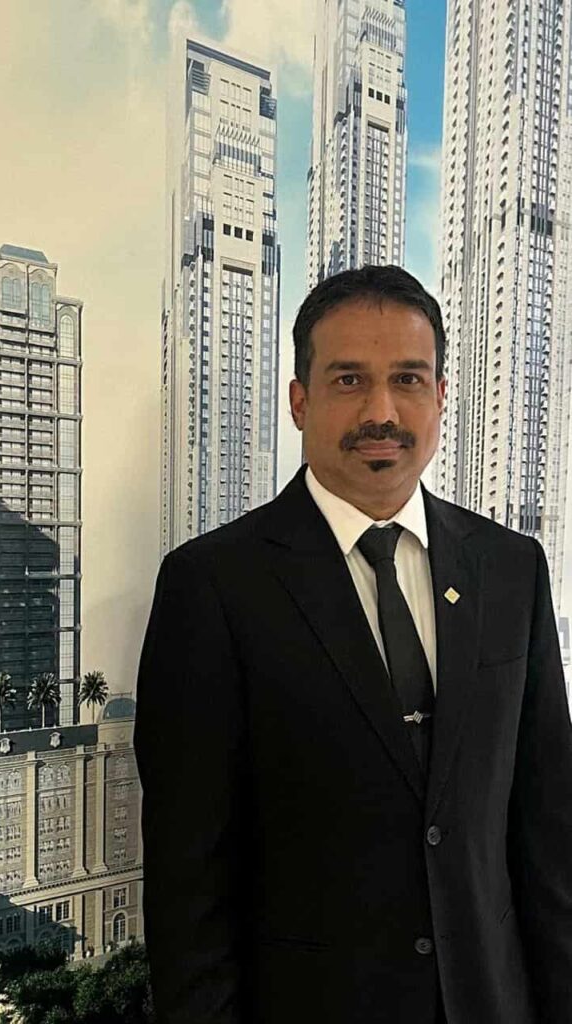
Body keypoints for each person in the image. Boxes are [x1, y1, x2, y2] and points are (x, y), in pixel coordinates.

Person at [133, 265, 572, 1024]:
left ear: (441, 395)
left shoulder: (511, 569)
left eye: (407, 379)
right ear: (299, 400)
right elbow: (188, 887)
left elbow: (548, 836)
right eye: (348, 380)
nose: (381, 412)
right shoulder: (213, 586)